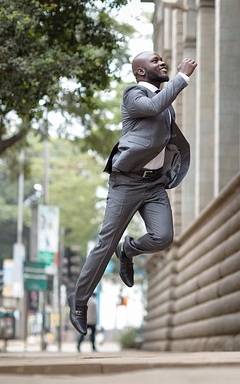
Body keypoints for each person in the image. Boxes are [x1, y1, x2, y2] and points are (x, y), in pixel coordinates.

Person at [68, 51, 198, 335]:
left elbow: (164, 127)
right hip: (127, 182)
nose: (161, 62)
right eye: (154, 61)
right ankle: (78, 303)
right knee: (104, 243)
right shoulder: (134, 95)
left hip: (153, 185)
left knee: (163, 237)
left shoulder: (165, 104)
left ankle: (127, 250)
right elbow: (152, 107)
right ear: (140, 72)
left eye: (162, 59)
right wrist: (182, 77)